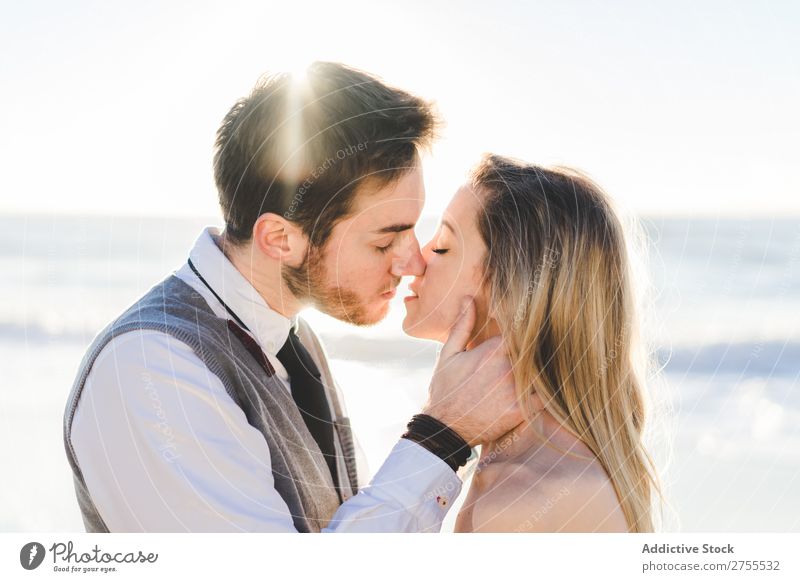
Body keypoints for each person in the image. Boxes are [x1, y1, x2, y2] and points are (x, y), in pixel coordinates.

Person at [63, 63, 520, 532]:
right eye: (384, 242)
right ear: (280, 238)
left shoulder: (294, 342)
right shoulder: (148, 370)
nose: (412, 262)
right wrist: (441, 434)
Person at [403, 154, 662, 532]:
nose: (416, 259)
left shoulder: (521, 501)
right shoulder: (539, 466)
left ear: (511, 291)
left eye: (443, 247)